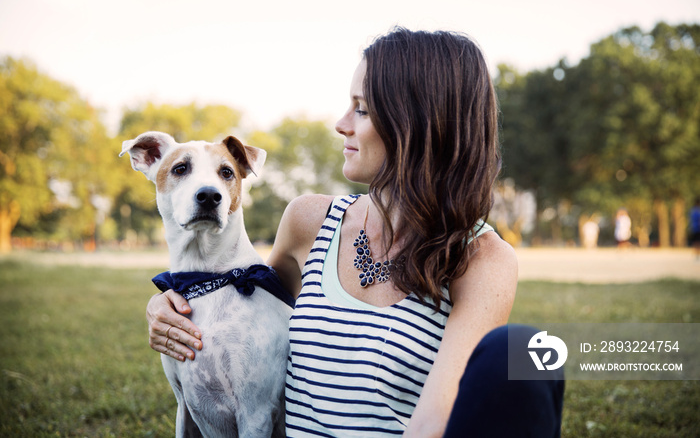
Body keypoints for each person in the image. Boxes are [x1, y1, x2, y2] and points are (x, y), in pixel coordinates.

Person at [146, 28, 564, 437]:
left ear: (417, 123)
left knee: (525, 354)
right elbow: (240, 304)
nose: (340, 124)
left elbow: (434, 424)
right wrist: (166, 306)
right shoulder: (309, 221)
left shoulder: (482, 259)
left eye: (361, 109)